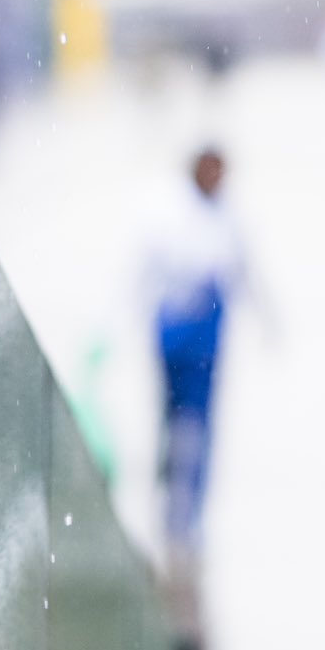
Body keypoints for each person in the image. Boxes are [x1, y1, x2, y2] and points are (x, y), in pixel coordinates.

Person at [139, 145, 248, 558]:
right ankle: (172, 495)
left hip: (205, 344)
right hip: (174, 337)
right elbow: (144, 275)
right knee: (176, 420)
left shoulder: (227, 218)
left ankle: (186, 514)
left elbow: (245, 272)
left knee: (196, 426)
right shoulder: (171, 215)